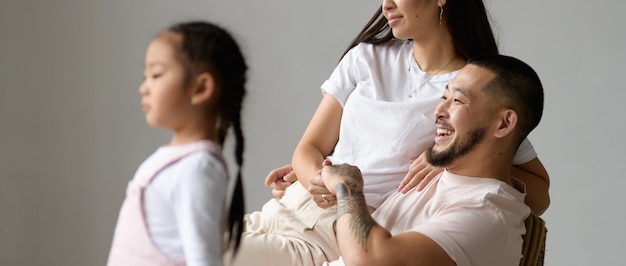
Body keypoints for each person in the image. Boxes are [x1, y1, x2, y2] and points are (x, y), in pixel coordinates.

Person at [226, 1, 549, 265]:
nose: (386, 5)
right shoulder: (366, 59)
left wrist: (441, 163)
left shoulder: (477, 91)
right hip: (288, 208)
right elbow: (309, 146)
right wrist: (317, 179)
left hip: (337, 233)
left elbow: (532, 190)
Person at [321, 54, 544, 266]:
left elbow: (372, 261)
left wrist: (347, 186)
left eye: (457, 100)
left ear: (504, 124)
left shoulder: (488, 213)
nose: (438, 111)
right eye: (443, 97)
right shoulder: (432, 178)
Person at [107, 21, 247, 266]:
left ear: (201, 88)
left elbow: (203, 259)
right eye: (145, 76)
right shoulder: (180, 161)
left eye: (156, 75)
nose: (144, 88)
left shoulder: (198, 168)